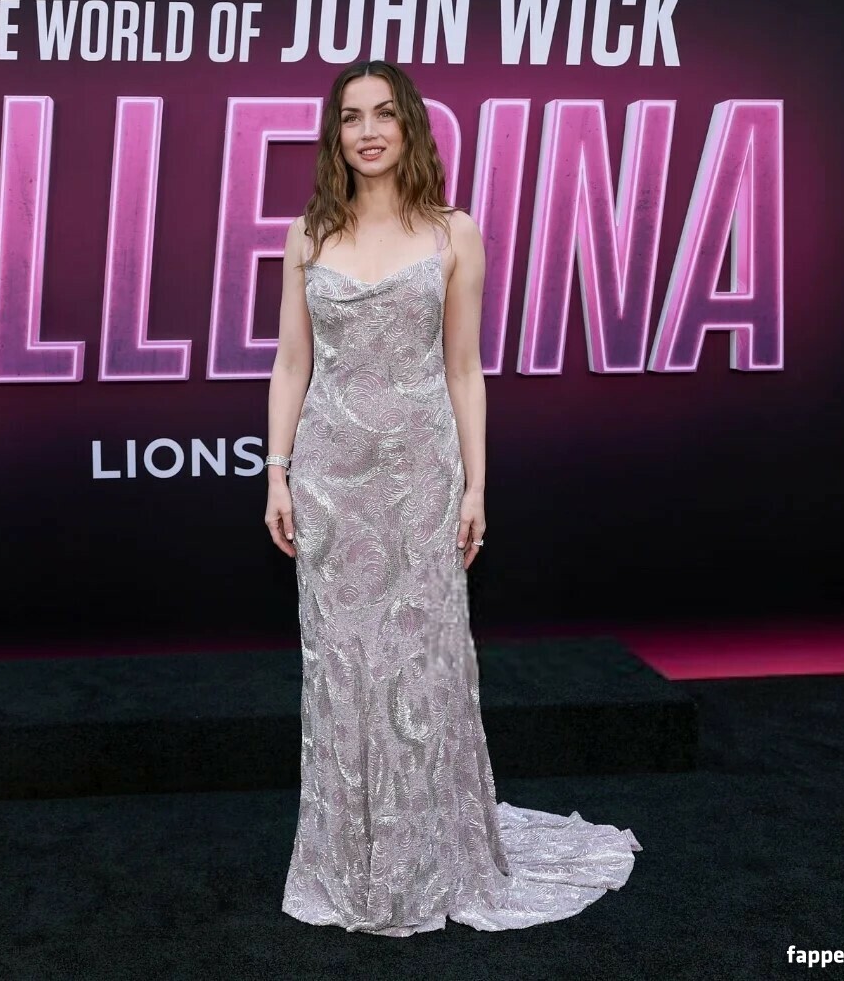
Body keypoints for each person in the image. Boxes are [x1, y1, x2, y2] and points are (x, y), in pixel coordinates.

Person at [264, 60, 642, 937]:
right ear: (334, 134)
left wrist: (475, 484)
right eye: (351, 116)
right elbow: (290, 363)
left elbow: (464, 370)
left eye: (383, 114)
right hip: (330, 481)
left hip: (419, 481)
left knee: (419, 668)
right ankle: (350, 867)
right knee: (342, 669)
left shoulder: (453, 232)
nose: (367, 131)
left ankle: (430, 859)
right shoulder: (308, 234)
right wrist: (277, 470)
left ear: (409, 126)